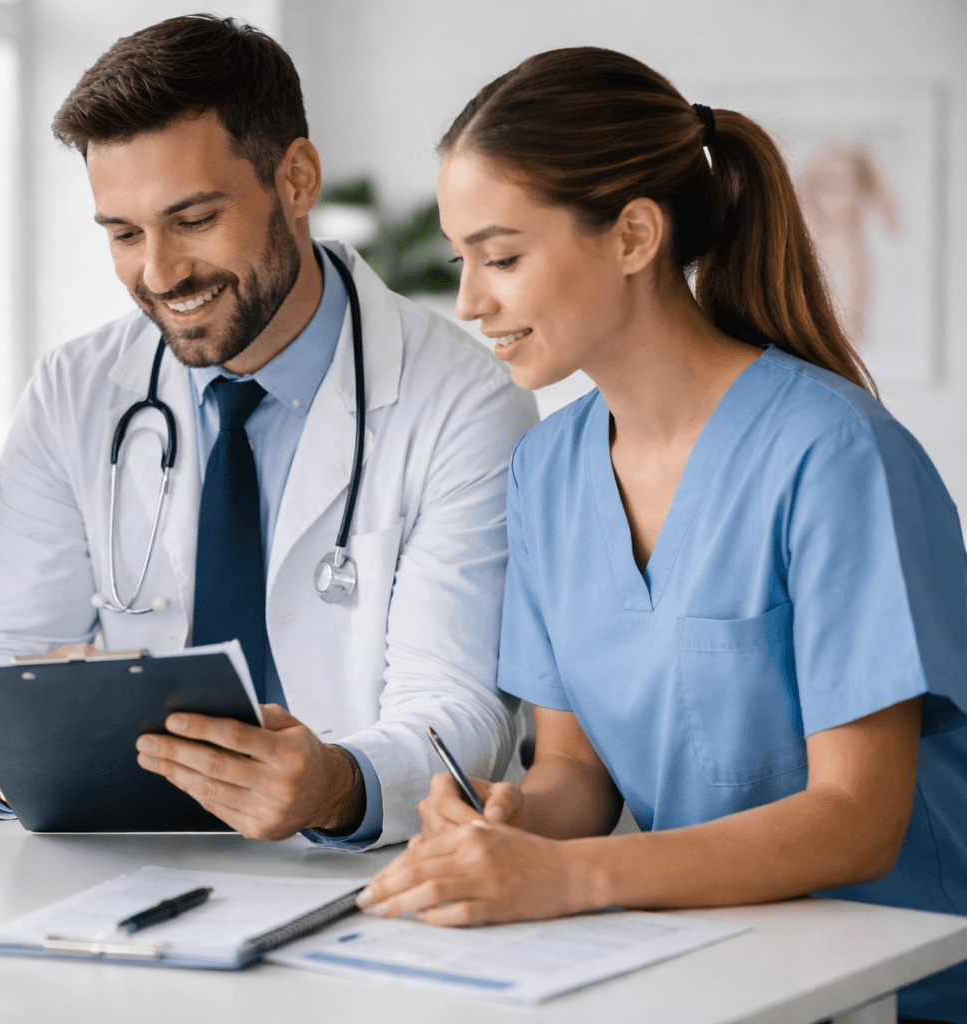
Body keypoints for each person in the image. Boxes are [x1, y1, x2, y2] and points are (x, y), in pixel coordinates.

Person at [355, 47, 967, 1020]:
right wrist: (509, 824)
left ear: (634, 235)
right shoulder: (548, 472)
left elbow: (859, 821)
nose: (470, 301)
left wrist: (574, 878)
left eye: (502, 256)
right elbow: (575, 772)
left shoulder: (835, 456)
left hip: (897, 987)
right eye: (461, 258)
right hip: (709, 972)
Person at [0, 16, 537, 848]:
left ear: (296, 179)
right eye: (123, 234)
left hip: (356, 876)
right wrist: (34, 751)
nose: (160, 272)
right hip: (124, 862)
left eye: (195, 219)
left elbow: (463, 710)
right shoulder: (76, 390)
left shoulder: (463, 400)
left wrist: (336, 785)